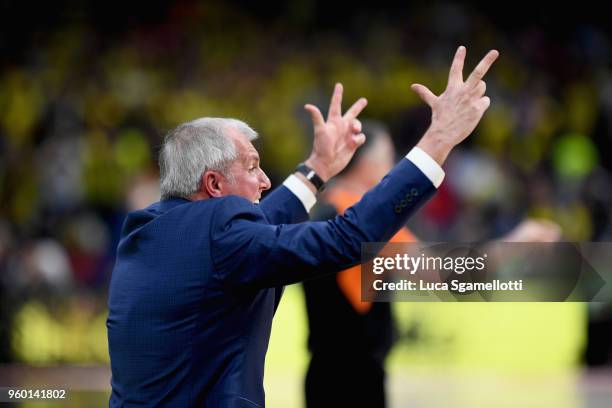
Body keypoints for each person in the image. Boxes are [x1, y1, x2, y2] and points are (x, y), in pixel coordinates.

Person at [106, 46, 499, 407]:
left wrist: (317, 169)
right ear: (213, 184)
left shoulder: (146, 230)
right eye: (252, 167)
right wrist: (439, 140)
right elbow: (347, 239)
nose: (264, 181)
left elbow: (255, 230)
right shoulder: (224, 234)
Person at [302, 120, 562, 408]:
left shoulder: (321, 209)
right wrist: (517, 243)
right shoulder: (364, 220)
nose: (392, 168)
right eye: (388, 158)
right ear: (367, 164)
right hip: (353, 382)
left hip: (322, 375)